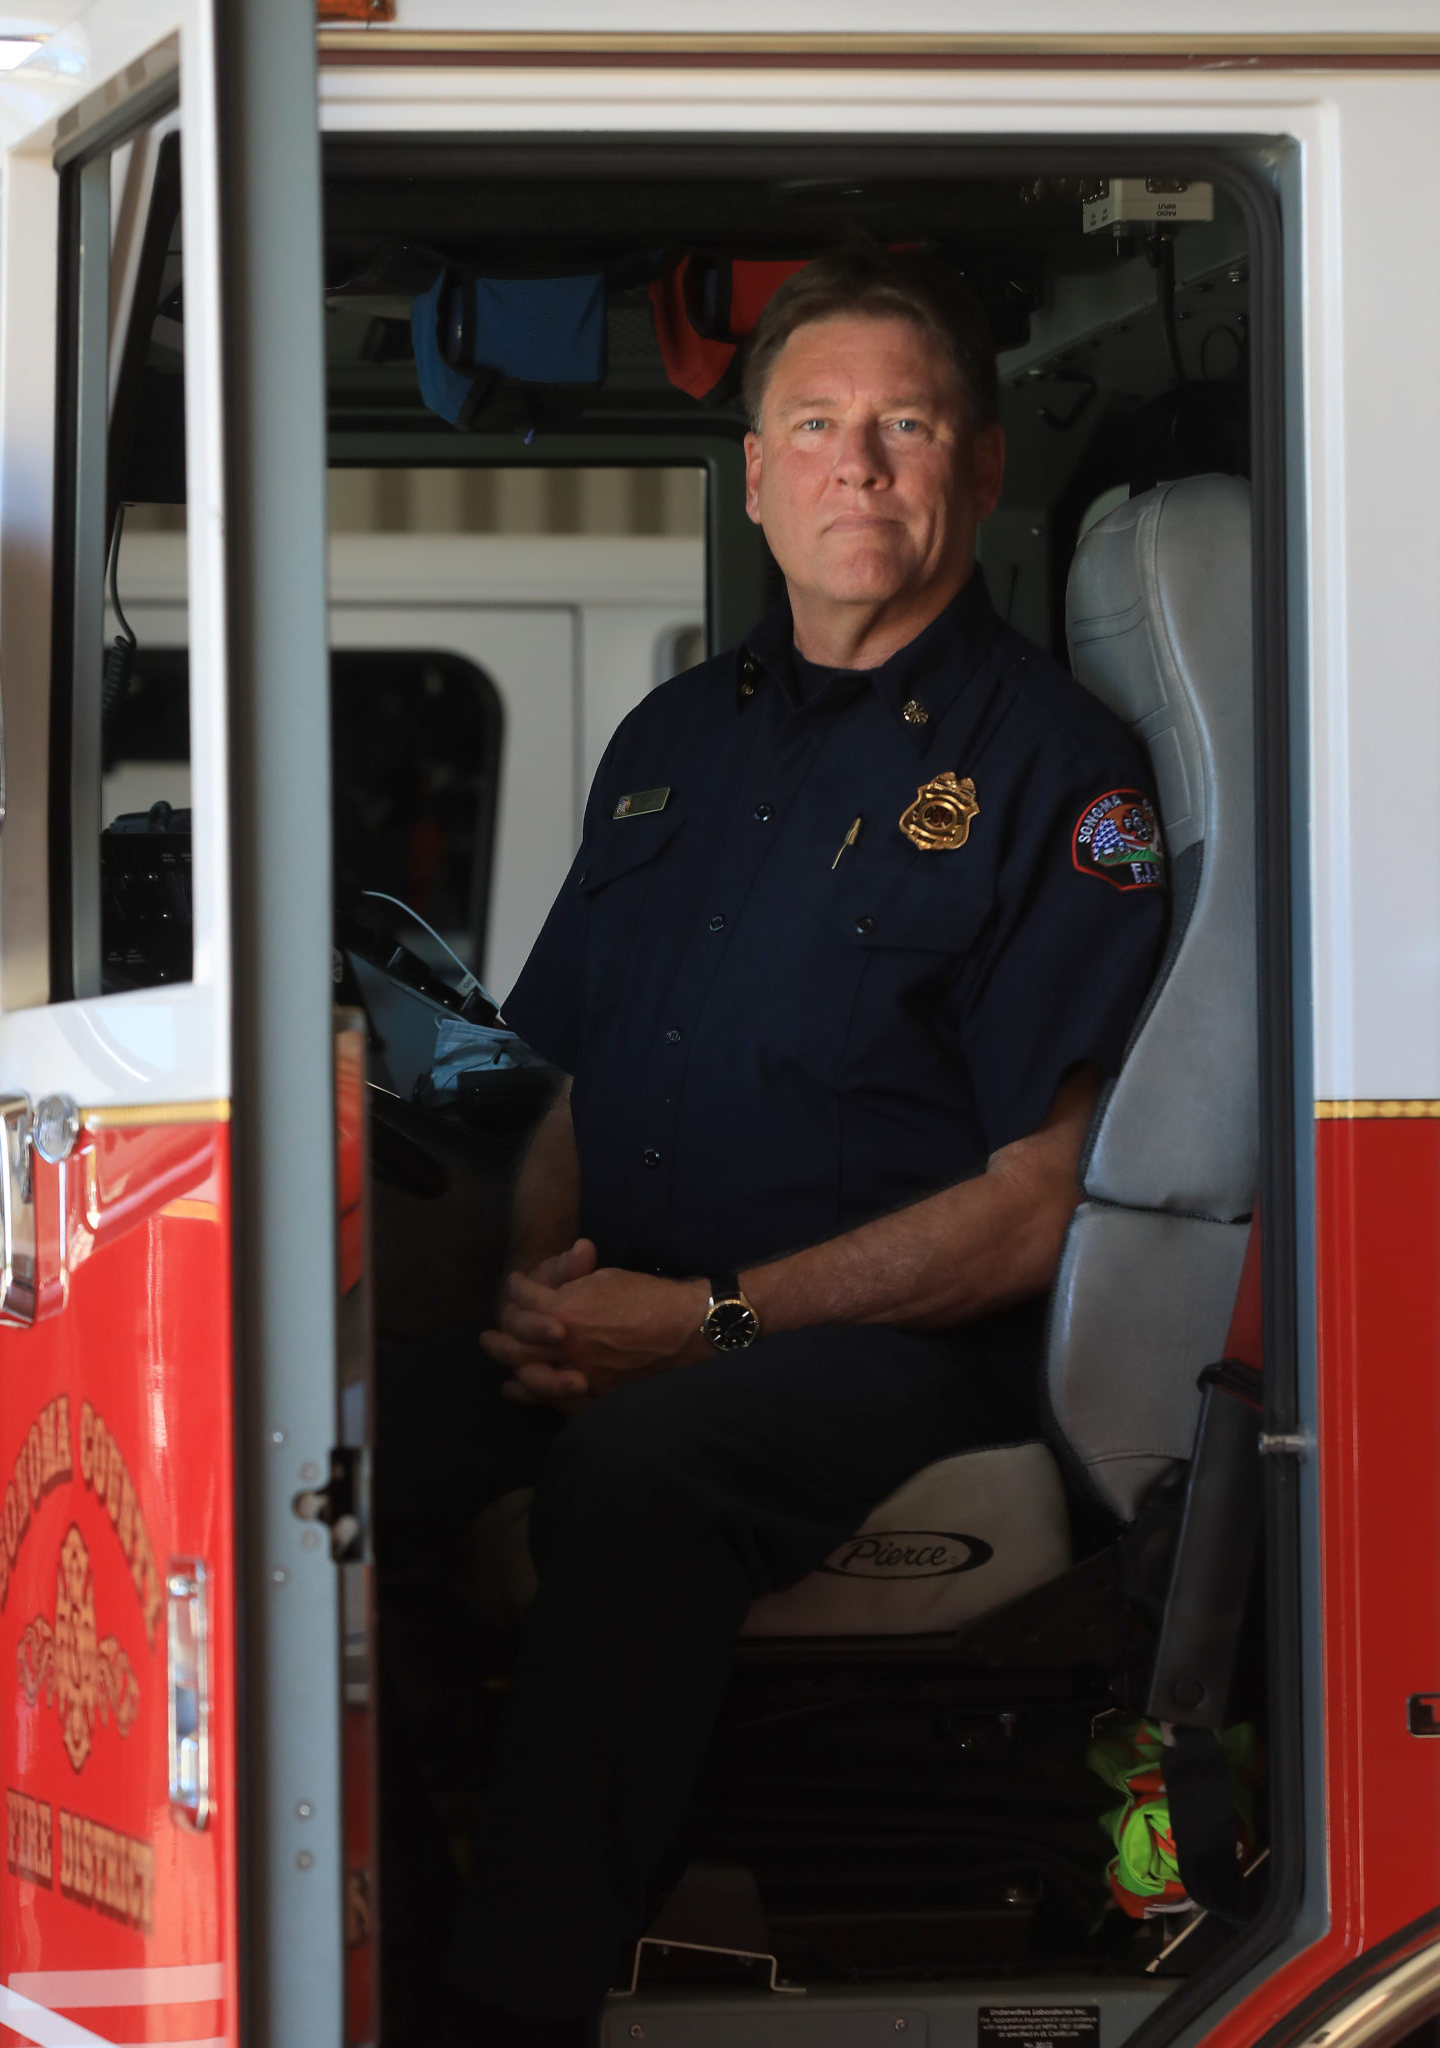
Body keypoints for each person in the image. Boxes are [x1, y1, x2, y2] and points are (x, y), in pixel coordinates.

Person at [438, 243, 1167, 2045]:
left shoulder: (1056, 775)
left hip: (900, 1360)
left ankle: (505, 2007)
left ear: (979, 472)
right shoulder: (670, 741)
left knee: (646, 1472)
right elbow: (578, 1081)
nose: (859, 465)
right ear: (752, 474)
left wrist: (702, 1327)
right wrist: (547, 1292)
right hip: (659, 1315)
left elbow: (1032, 1204)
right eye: (817, 426)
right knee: (330, 1434)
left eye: (906, 427)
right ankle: (356, 1932)